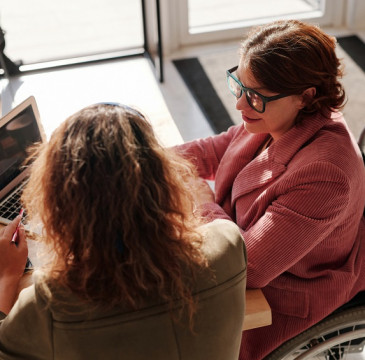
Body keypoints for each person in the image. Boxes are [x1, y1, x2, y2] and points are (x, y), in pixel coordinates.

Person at [175, 19, 365, 359]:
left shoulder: (325, 173)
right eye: (239, 85)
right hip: (246, 247)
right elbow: (216, 150)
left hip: (285, 294)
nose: (240, 105)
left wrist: (200, 200)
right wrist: (138, 159)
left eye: (255, 96)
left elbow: (247, 267)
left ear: (306, 96)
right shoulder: (274, 114)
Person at [0, 103, 247, 359]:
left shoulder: (50, 303)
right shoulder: (228, 243)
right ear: (164, 179)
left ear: (62, 204)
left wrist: (7, 277)